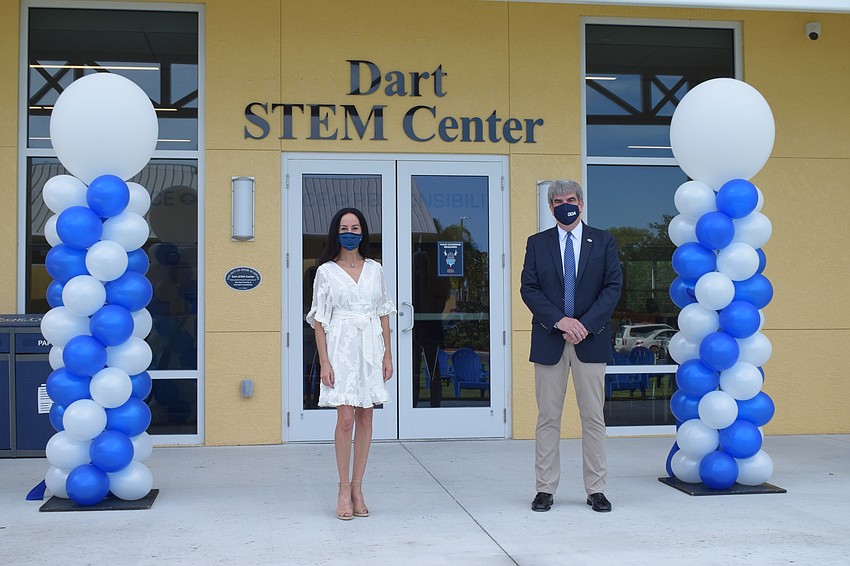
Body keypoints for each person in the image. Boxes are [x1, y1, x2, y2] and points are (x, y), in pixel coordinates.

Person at [520, 179, 622, 513]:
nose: (567, 204)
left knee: (593, 417)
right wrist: (561, 321)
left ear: (581, 203)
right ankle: (545, 489)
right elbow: (529, 289)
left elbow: (612, 287)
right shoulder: (537, 243)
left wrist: (584, 325)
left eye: (572, 199)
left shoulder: (603, 241)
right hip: (550, 339)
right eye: (559, 200)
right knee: (548, 417)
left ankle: (596, 489)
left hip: (590, 341)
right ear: (551, 207)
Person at [306, 207, 395, 520]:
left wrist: (388, 353)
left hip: (370, 346)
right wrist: (325, 362)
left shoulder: (375, 269)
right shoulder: (326, 272)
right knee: (345, 418)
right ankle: (343, 487)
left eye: (355, 227)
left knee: (367, 417)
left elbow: (383, 312)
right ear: (335, 232)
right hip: (341, 346)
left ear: (363, 232)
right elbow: (319, 321)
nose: (350, 232)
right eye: (344, 227)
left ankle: (359, 486)